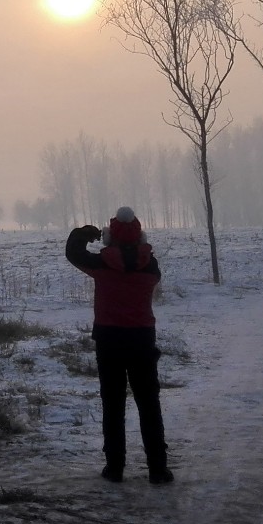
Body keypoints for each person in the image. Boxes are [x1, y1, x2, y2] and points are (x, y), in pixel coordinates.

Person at [66, 207, 170, 484]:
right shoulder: (150, 265)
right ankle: (158, 470)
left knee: (113, 405)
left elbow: (73, 254)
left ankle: (114, 468)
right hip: (142, 339)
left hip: (109, 340)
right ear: (139, 236)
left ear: (110, 236)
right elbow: (151, 271)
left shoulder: (102, 264)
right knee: (149, 404)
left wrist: (83, 233)